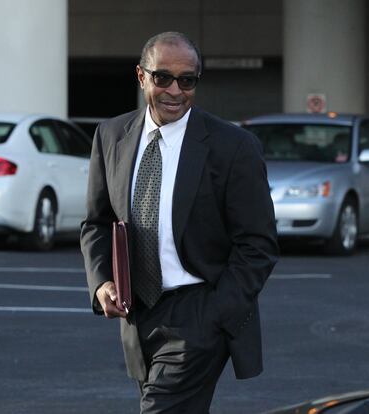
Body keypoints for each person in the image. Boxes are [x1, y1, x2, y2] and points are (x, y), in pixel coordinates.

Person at [80, 31, 278, 413]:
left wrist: (218, 313)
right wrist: (102, 282)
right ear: (141, 77)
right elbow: (97, 222)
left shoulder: (232, 147)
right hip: (137, 314)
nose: (175, 90)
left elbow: (259, 243)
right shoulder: (111, 136)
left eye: (187, 80)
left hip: (198, 314)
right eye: (163, 78)